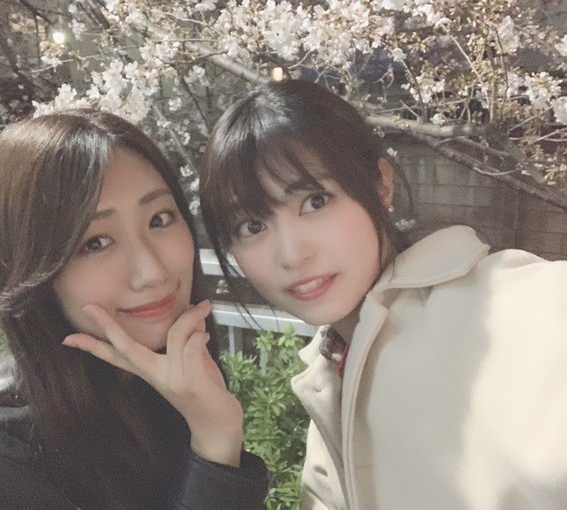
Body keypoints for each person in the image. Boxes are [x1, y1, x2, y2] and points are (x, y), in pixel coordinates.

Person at [198, 79, 567, 510]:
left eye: (315, 201)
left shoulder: (497, 306)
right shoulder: (331, 382)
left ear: (381, 185)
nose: (292, 254)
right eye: (252, 226)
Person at [0, 109, 267, 510]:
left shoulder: (163, 375)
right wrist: (216, 445)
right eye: (95, 243)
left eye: (159, 219)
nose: (152, 272)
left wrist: (213, 432)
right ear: (36, 268)